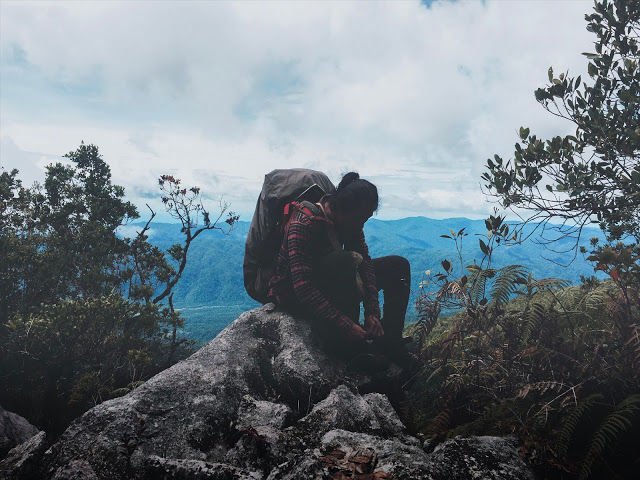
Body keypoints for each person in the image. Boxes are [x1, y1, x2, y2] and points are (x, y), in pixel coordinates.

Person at [268, 171, 414, 369]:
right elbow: (303, 287)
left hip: (329, 285)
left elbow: (366, 263)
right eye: (362, 218)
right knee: (346, 261)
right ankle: (350, 347)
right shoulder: (302, 224)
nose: (362, 224)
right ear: (343, 210)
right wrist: (346, 325)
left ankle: (390, 341)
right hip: (298, 296)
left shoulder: (349, 222)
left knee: (397, 266)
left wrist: (372, 311)